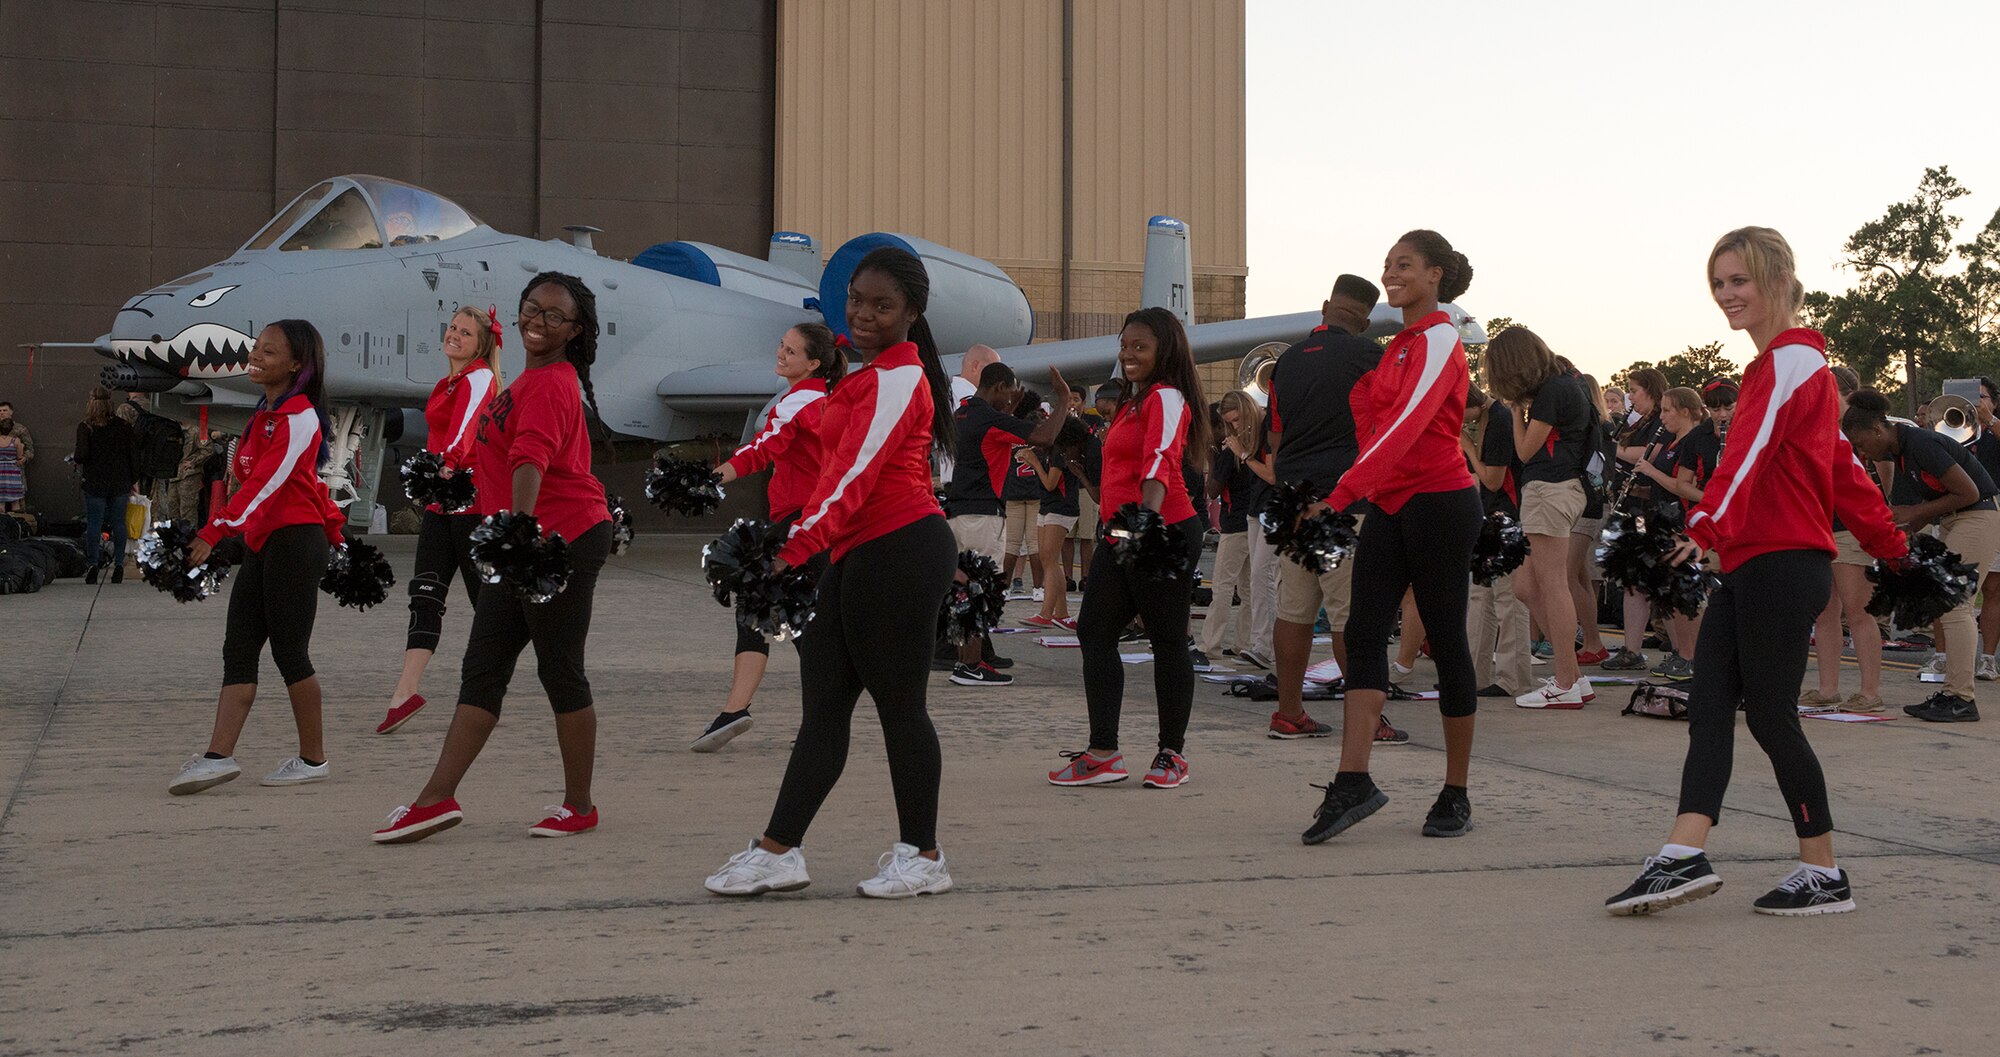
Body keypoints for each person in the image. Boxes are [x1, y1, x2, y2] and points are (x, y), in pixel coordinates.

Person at [1606, 226, 1909, 918]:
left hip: (1781, 562)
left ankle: (1822, 870)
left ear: (1776, 278)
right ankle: (1685, 853)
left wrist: (1705, 525)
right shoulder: (1788, 370)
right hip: (1756, 563)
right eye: (1718, 283)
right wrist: (1894, 547)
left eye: (1738, 280)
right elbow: (1844, 472)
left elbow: (1745, 456)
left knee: (1771, 717)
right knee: (1712, 703)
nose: (1726, 295)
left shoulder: (1792, 362)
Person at [702, 246, 961, 899]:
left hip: (900, 546)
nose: (865, 313)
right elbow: (818, 465)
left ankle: (924, 855)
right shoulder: (861, 376)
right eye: (857, 300)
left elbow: (849, 479)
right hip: (848, 552)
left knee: (901, 707)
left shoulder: (901, 377)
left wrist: (787, 556)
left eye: (883, 305)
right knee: (823, 711)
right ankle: (779, 851)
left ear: (912, 312)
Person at [371, 272, 614, 842]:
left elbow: (531, 460)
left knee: (560, 671)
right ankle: (436, 799)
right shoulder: (523, 383)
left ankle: (578, 806)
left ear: (575, 330)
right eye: (532, 308)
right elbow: (498, 464)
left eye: (555, 315)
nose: (539, 320)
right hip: (520, 540)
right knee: (483, 668)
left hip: (559, 540)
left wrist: (520, 532)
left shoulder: (552, 383)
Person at [1301, 229, 1482, 844]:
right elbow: (1374, 422)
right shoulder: (1397, 347)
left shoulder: (1439, 339)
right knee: (1361, 630)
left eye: (1404, 264)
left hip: (1439, 504)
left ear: (1435, 275)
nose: (1390, 273)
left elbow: (1405, 427)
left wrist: (1340, 493)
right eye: (1387, 265)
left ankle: (1455, 790)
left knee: (1445, 638)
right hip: (1389, 502)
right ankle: (1353, 778)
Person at [168, 321, 347, 795]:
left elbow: (267, 486)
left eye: (269, 352)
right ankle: (217, 757)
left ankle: (313, 760)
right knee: (238, 650)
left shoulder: (298, 416)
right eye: (256, 348)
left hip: (294, 544)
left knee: (291, 654)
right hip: (265, 543)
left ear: (295, 365)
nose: (256, 356)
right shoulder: (263, 414)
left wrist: (213, 532)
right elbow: (279, 484)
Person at [1048, 306, 1209, 790]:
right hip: (1124, 530)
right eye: (1124, 345)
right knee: (1094, 630)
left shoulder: (1167, 397)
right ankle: (1102, 752)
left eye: (1140, 346)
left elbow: (1161, 461)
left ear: (1165, 350)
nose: (1128, 354)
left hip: (1162, 527)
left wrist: (1146, 520)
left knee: (1166, 639)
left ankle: (1171, 754)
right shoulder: (1134, 403)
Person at [693, 322, 844, 750]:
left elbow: (762, 448)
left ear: (813, 363)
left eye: (791, 351)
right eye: (781, 345)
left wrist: (714, 477)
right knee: (785, 615)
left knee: (773, 612)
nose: (781, 354)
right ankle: (742, 712)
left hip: (800, 524)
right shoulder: (829, 400)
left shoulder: (798, 402)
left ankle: (748, 712)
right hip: (823, 524)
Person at [376, 306, 503, 736]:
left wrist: (445, 466)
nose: (455, 336)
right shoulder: (445, 383)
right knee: (424, 596)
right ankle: (404, 694)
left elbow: (468, 431)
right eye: (452, 328)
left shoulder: (481, 377)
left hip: (470, 507)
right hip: (438, 508)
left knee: (490, 605)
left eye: (465, 332)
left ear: (481, 344)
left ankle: (489, 691)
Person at [1267, 274, 1383, 736]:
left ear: (1324, 307)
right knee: (1350, 614)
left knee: (1293, 611)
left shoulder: (1286, 361)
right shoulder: (1368, 355)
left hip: (1294, 498)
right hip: (1344, 499)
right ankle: (1367, 721)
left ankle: (1289, 712)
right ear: (1366, 321)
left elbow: (1274, 436)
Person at [1843, 389, 2000, 723]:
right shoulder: (1901, 451)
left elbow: (1969, 491)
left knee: (1954, 604)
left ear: (1877, 431)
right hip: (1958, 519)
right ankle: (1953, 693)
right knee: (1943, 604)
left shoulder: (1921, 444)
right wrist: (1912, 521)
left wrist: (1917, 511)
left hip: (1979, 515)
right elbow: (1934, 503)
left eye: (1861, 444)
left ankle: (1961, 698)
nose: (1862, 453)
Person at [1485, 327, 1596, 708]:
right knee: (1525, 586)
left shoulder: (1552, 391)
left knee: (1551, 585)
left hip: (1551, 487)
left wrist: (1516, 412)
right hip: (1557, 488)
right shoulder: (1567, 381)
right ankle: (1573, 675)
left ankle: (1565, 681)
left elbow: (1526, 449)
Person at [941, 360, 1069, 685]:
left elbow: (1006, 427)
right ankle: (971, 666)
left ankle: (966, 663)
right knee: (978, 590)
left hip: (960, 512)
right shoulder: (988, 418)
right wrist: (1064, 399)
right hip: (983, 516)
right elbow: (1045, 437)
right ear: (999, 387)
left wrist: (1012, 408)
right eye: (1009, 393)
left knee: (962, 592)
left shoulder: (964, 412)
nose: (1011, 400)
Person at [1803, 369, 1892, 713]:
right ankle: (1828, 689)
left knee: (1858, 611)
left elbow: (1882, 476)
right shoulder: (1816, 424)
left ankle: (1870, 693)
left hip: (1850, 526)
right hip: (1821, 524)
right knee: (1825, 612)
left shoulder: (1859, 426)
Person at [1631, 387, 1720, 681]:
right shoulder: (1673, 441)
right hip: (1667, 517)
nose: (1663, 416)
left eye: (1668, 410)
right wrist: (1643, 487)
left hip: (1690, 522)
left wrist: (1652, 472)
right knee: (1675, 592)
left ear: (1685, 411)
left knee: (1691, 592)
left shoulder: (1695, 440)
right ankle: (1684, 654)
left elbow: (1683, 485)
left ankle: (1692, 655)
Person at [1466, 382, 1533, 699]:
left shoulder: (1501, 421)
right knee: (1480, 599)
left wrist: (1465, 445)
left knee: (1508, 600)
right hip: (1488, 515)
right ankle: (1474, 674)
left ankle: (1513, 678)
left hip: (1507, 515)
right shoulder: (1487, 420)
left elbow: (1492, 479)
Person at [1603, 366, 1669, 671]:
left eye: (1634, 391)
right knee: (1630, 579)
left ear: (1651, 391)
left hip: (1645, 507)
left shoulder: (1663, 420)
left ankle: (1682, 651)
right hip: (1627, 504)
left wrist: (1615, 447)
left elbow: (1648, 454)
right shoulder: (1638, 421)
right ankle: (1632, 648)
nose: (1630, 397)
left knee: (1652, 578)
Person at [1196, 391, 1270, 663]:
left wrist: (1211, 456)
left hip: (1234, 524)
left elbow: (1213, 489)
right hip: (1249, 520)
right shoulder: (1251, 444)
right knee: (1250, 588)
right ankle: (1243, 642)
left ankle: (1210, 645)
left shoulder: (1231, 452)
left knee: (1223, 587)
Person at [1021, 418, 1093, 630]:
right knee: (1048, 560)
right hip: (1047, 506)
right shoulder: (1049, 450)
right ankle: (1062, 614)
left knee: (1050, 560)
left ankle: (1046, 613)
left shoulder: (1059, 452)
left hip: (1061, 507)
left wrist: (1033, 462)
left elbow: (1051, 483)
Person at [1567, 370, 1612, 666]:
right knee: (1579, 574)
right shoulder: (1602, 425)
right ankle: (1591, 640)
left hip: (1588, 503)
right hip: (1591, 502)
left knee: (1568, 574)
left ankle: (1593, 641)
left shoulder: (1594, 426)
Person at [74, 387, 139, 583]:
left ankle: (93, 563)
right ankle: (119, 564)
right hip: (119, 480)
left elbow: (82, 454)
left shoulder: (86, 427)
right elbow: (132, 455)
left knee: (94, 524)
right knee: (119, 523)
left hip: (95, 481)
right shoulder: (123, 426)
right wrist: (133, 479)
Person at [162, 422, 217, 524]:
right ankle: (175, 535)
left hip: (189, 475)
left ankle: (188, 536)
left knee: (187, 509)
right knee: (172, 506)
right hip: (173, 474)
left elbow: (209, 449)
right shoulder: (173, 427)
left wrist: (193, 461)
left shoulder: (196, 430)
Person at [0, 403, 26, 513]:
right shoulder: (15, 440)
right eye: (0, 410)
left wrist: (25, 458)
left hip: (14, 470)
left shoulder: (20, 429)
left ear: (11, 412)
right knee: (14, 501)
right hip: (12, 470)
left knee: (17, 502)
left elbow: (30, 449)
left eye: (4, 410)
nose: (1, 413)